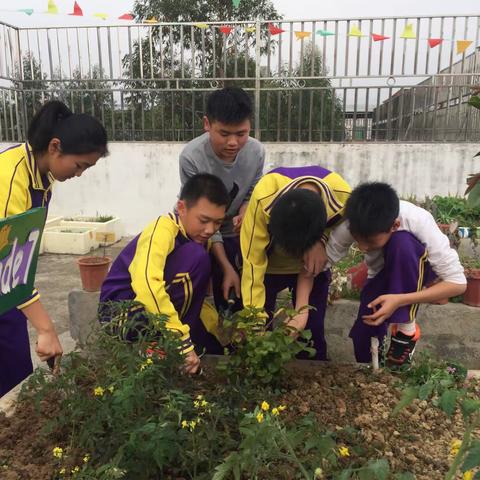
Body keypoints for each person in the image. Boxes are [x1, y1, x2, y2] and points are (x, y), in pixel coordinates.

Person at [0, 100, 108, 397]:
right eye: (80, 165)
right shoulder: (10, 177)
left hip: (8, 294)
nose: (80, 174)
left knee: (17, 372)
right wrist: (46, 329)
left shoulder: (42, 179)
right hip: (5, 285)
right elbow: (7, 264)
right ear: (55, 146)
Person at [99, 174, 230, 374]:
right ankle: (160, 347)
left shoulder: (196, 238)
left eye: (218, 223)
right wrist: (181, 341)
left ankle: (177, 343)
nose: (210, 229)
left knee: (213, 350)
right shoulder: (162, 229)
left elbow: (196, 299)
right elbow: (147, 284)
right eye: (204, 220)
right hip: (120, 315)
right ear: (181, 208)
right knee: (197, 256)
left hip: (152, 315)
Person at [326, 182, 467, 366]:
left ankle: (406, 331)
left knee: (402, 242)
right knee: (363, 335)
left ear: (394, 224)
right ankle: (373, 375)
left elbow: (458, 283)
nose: (361, 247)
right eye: (357, 240)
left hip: (415, 267)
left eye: (368, 241)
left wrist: (400, 300)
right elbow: (323, 262)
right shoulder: (353, 224)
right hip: (380, 274)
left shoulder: (419, 220)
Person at [240, 166, 351, 360]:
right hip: (269, 268)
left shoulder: (343, 198)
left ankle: (314, 374)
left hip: (313, 265)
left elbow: (340, 231)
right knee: (260, 326)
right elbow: (252, 263)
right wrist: (254, 324)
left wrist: (321, 241)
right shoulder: (263, 197)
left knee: (312, 332)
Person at [179, 87, 265, 314]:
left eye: (242, 134)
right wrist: (226, 266)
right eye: (224, 134)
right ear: (207, 124)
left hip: (236, 231)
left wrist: (246, 208)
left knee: (247, 281)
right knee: (203, 263)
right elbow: (205, 221)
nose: (233, 143)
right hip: (202, 230)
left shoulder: (256, 152)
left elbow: (253, 191)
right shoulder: (192, 157)